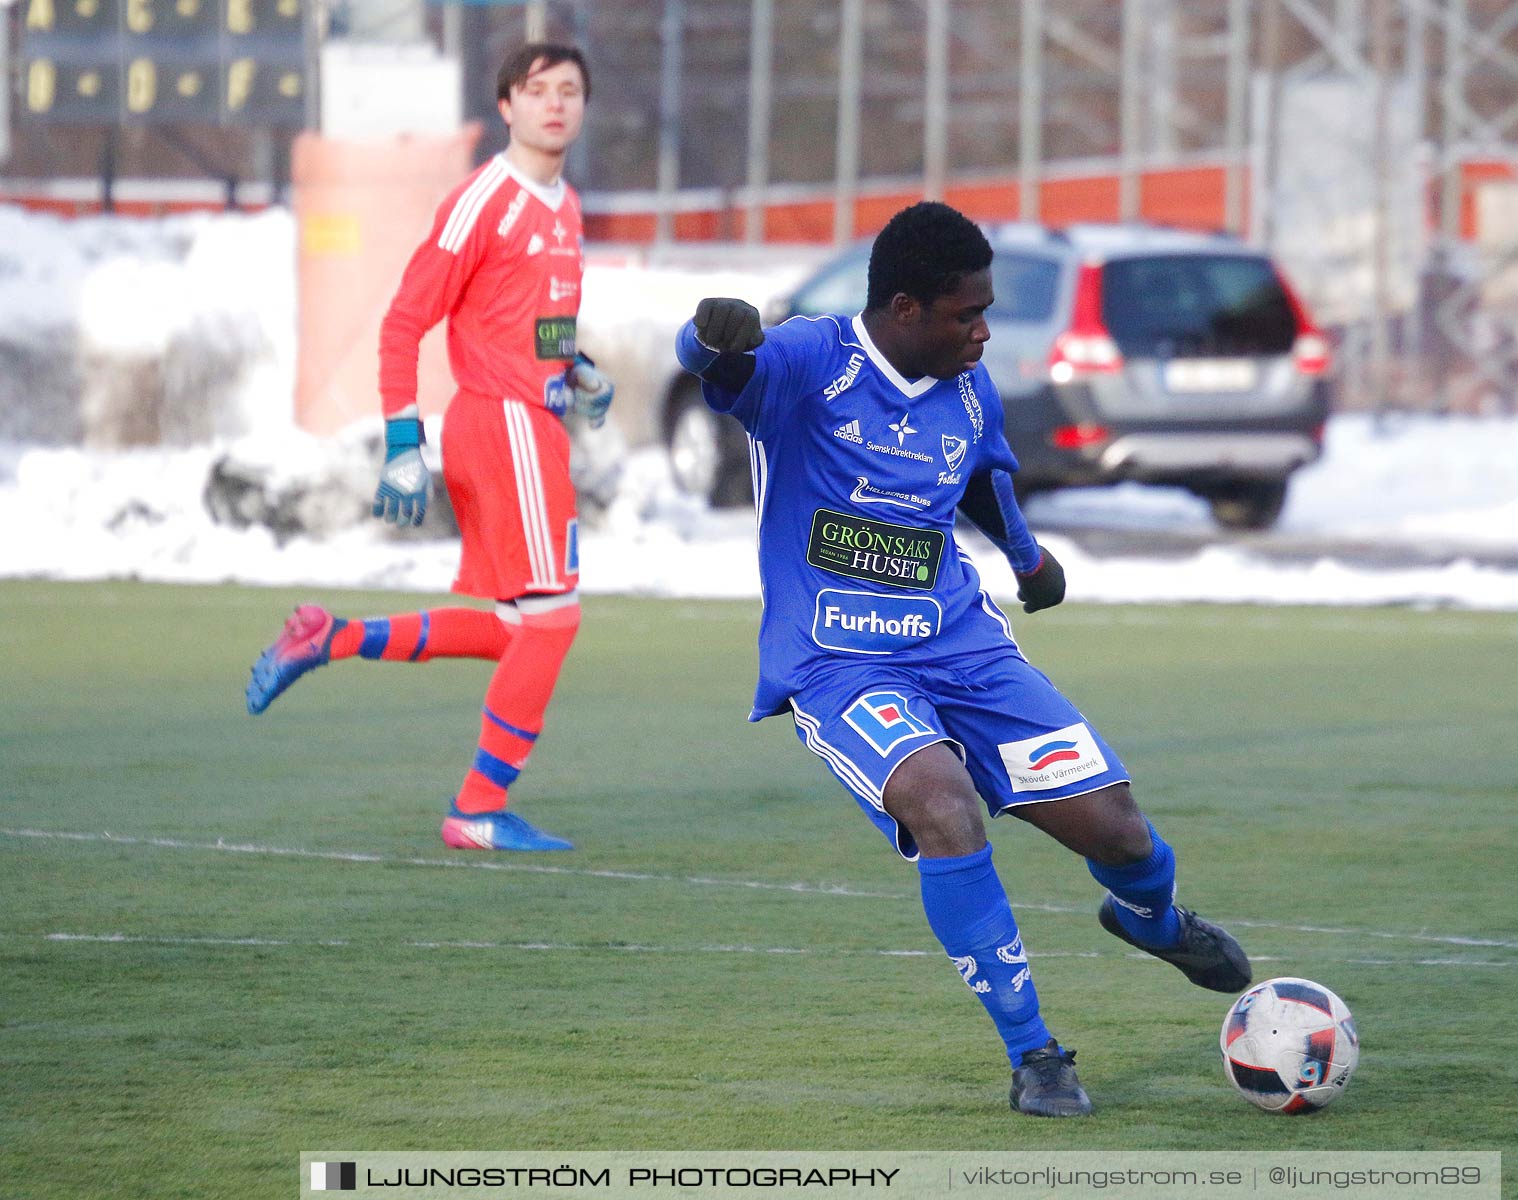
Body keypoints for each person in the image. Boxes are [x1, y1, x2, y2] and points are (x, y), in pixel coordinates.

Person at [673, 201, 1252, 1116]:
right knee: (945, 809)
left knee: (1120, 832)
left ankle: (1155, 921)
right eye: (966, 314)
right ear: (904, 309)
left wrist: (1025, 557)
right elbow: (723, 364)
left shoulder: (967, 386)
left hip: (965, 649)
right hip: (837, 663)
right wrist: (708, 339)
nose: (984, 330)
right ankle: (1037, 1055)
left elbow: (979, 473)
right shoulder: (811, 360)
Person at [245, 43, 614, 853]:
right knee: (554, 623)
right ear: (507, 107)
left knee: (522, 628)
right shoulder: (483, 200)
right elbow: (406, 320)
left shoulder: (566, 205)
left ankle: (329, 635)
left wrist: (577, 367)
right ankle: (477, 806)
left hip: (537, 423)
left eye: (571, 91)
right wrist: (403, 439)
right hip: (503, 422)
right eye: (538, 90)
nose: (556, 104)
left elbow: (534, 318)